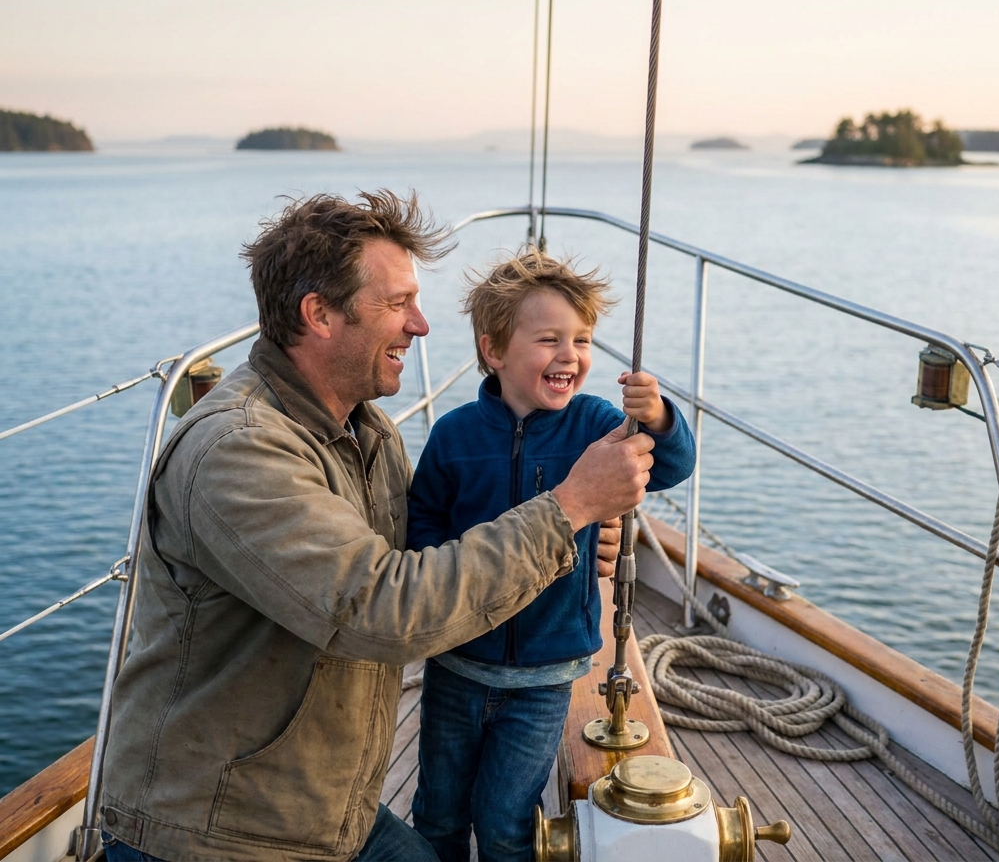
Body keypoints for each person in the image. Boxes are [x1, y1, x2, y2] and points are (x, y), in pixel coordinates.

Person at [98, 191, 656, 862]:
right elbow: (385, 609)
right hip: (219, 831)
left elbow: (430, 556)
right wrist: (565, 508)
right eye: (397, 304)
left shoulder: (365, 430)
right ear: (320, 314)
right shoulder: (238, 451)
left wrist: (577, 533)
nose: (420, 326)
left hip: (321, 806)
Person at [406, 249, 696, 861]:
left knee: (508, 821)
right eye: (549, 340)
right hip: (457, 664)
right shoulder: (453, 436)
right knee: (438, 812)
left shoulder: (596, 423)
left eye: (583, 339)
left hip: (545, 676)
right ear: (494, 351)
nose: (570, 355)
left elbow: (668, 467)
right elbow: (424, 520)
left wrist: (661, 418)